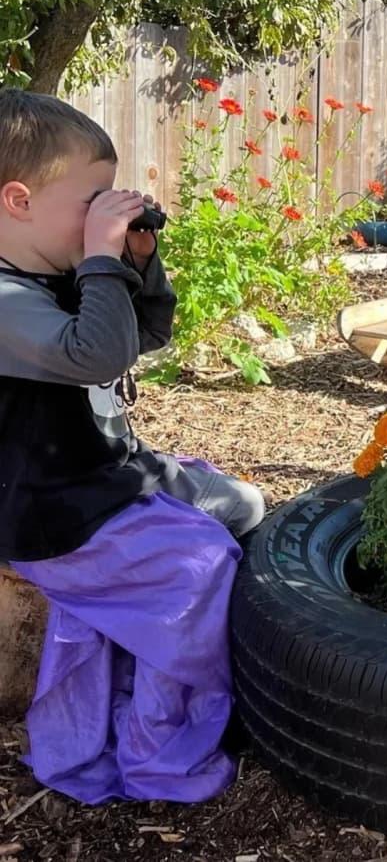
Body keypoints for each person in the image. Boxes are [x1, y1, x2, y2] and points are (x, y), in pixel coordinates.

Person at [0, 88, 265, 804]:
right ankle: (160, 745)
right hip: (57, 516)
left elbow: (140, 338)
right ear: (18, 199)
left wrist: (137, 264)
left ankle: (183, 689)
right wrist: (100, 261)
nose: (104, 215)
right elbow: (93, 354)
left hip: (105, 479)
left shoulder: (55, 272)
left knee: (241, 504)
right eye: (90, 200)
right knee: (200, 565)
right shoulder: (4, 300)